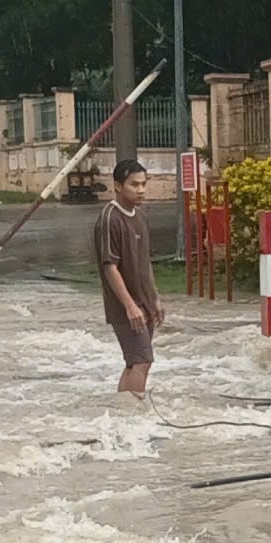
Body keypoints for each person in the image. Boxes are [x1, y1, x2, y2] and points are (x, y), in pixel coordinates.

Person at [95, 159, 164, 395]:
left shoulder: (141, 217)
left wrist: (154, 297)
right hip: (125, 305)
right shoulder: (109, 218)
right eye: (134, 184)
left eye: (144, 184)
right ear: (117, 186)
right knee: (143, 360)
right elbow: (109, 267)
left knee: (134, 361)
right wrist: (129, 305)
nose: (141, 190)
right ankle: (134, 413)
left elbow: (145, 263)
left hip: (144, 301)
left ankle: (124, 414)